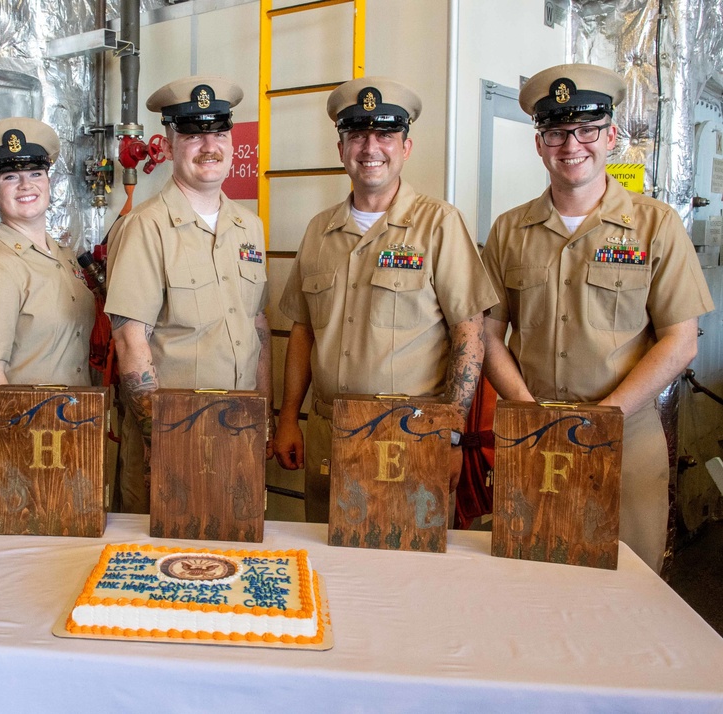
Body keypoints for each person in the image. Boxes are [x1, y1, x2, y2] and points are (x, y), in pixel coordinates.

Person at [481, 63, 715, 573]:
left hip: (627, 439)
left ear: (610, 135)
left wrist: (601, 419)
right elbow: (489, 332)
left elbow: (680, 341)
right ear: (539, 143)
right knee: (529, 574)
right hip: (533, 437)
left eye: (586, 130)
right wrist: (528, 410)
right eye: (557, 132)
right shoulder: (509, 230)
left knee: (629, 585)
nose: (572, 145)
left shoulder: (656, 225)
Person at [275, 77, 497, 523]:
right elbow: (303, 331)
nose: (370, 147)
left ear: (406, 147)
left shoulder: (439, 225)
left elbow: (470, 335)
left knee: (409, 574)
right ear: (341, 150)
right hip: (329, 437)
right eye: (356, 134)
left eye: (385, 135)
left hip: (412, 438)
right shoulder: (319, 230)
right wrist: (287, 418)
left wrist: (452, 437)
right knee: (328, 565)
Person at [105, 76, 271, 513]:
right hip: (172, 440)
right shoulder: (145, 227)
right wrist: (157, 440)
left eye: (218, 132)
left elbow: (257, 328)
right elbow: (129, 339)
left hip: (238, 433)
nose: (208, 146)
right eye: (193, 134)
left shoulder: (248, 226)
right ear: (170, 143)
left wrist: (264, 417)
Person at [0, 118, 95, 504]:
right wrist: (20, 452)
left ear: (49, 183)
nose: (25, 185)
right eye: (9, 178)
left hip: (68, 439)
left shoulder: (64, 258)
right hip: (22, 449)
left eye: (35, 173)